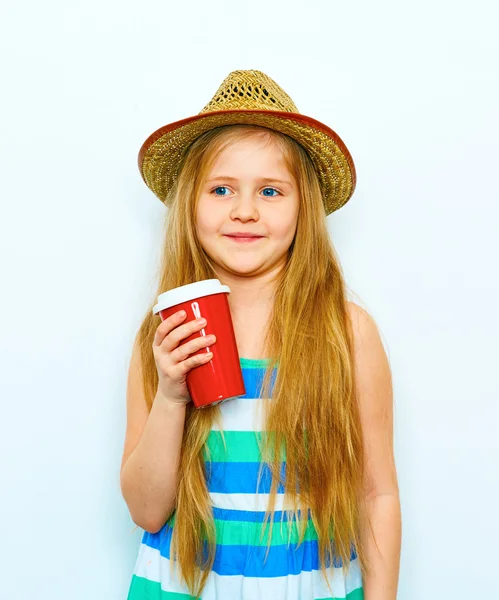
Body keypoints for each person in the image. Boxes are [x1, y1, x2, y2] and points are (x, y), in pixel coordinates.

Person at [120, 69, 401, 600]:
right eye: (221, 188)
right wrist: (171, 395)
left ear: (303, 210)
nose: (244, 210)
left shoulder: (347, 333)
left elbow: (376, 494)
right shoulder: (162, 337)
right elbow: (145, 509)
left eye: (270, 191)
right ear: (191, 205)